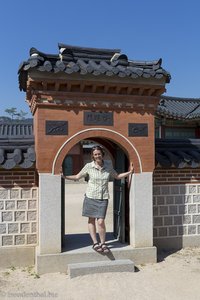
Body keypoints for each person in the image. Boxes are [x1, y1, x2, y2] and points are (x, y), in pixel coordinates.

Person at [62, 145, 134, 253]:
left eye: (99, 154)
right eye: (95, 154)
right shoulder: (88, 166)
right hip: (90, 197)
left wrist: (130, 172)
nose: (97, 156)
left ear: (102, 154)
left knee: (100, 221)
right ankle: (95, 243)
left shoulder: (108, 167)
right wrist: (64, 176)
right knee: (91, 220)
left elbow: (117, 176)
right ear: (92, 156)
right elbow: (77, 177)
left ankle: (103, 243)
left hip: (103, 198)